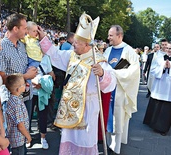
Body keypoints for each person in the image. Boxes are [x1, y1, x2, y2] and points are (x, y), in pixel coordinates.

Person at [38, 12, 116, 155]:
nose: (73, 44)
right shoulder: (72, 55)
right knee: (69, 137)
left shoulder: (98, 59)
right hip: (70, 107)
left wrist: (102, 74)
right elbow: (55, 55)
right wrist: (43, 37)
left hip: (88, 107)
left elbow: (111, 82)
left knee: (84, 140)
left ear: (87, 44)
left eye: (76, 43)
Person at [0, 13, 37, 138]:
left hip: (26, 95)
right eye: (24, 28)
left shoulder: (22, 45)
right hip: (11, 99)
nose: (26, 31)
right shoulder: (1, 47)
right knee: (11, 136)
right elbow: (2, 77)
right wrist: (25, 76)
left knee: (25, 133)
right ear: (15, 29)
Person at [103, 25, 140, 154]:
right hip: (107, 90)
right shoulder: (107, 51)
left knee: (117, 120)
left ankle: (116, 148)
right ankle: (107, 143)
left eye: (111, 35)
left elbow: (134, 72)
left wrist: (115, 73)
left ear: (119, 36)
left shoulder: (129, 51)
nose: (108, 38)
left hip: (120, 91)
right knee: (107, 116)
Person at [143, 40, 170, 136]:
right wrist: (163, 66)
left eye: (170, 48)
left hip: (168, 88)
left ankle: (163, 127)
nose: (169, 50)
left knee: (165, 108)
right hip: (159, 84)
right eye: (168, 48)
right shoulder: (159, 57)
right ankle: (152, 123)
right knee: (156, 104)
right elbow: (153, 69)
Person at [30, 54, 55, 149]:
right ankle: (28, 138)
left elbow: (50, 73)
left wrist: (45, 83)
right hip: (29, 91)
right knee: (28, 115)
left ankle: (43, 137)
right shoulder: (27, 54)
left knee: (43, 115)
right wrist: (33, 82)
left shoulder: (46, 57)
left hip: (43, 92)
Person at [5, 73, 32, 155]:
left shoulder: (14, 100)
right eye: (24, 84)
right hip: (18, 140)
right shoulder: (16, 103)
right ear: (18, 89)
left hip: (18, 139)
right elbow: (20, 125)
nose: (26, 84)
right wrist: (28, 136)